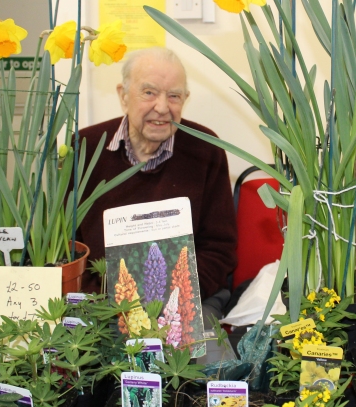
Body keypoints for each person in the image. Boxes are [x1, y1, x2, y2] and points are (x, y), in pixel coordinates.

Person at [75, 47, 237, 325]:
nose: (162, 107)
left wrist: (172, 297)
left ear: (185, 99)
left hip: (188, 300)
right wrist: (110, 301)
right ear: (123, 95)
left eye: (174, 95)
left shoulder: (207, 150)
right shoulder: (84, 149)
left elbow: (220, 250)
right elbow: (66, 248)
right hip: (102, 305)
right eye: (149, 92)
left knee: (208, 362)